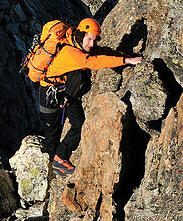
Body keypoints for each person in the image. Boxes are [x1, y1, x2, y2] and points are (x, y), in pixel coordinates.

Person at [39, 17, 143, 179]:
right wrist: (126, 60)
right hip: (49, 94)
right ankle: (51, 168)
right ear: (81, 35)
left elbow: (102, 52)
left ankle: (59, 159)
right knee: (52, 132)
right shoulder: (71, 52)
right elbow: (94, 62)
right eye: (89, 39)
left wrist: (123, 56)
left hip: (64, 93)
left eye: (94, 40)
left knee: (79, 123)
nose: (92, 43)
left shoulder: (80, 45)